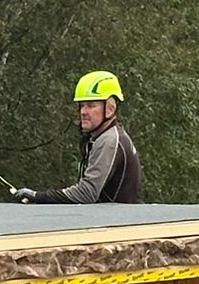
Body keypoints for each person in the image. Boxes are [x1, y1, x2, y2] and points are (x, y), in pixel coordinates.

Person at [12, 69, 144, 205]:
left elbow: (86, 193)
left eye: (91, 105)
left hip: (118, 218)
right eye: (82, 105)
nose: (83, 112)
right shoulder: (105, 137)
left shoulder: (109, 140)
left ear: (110, 109)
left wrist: (38, 197)